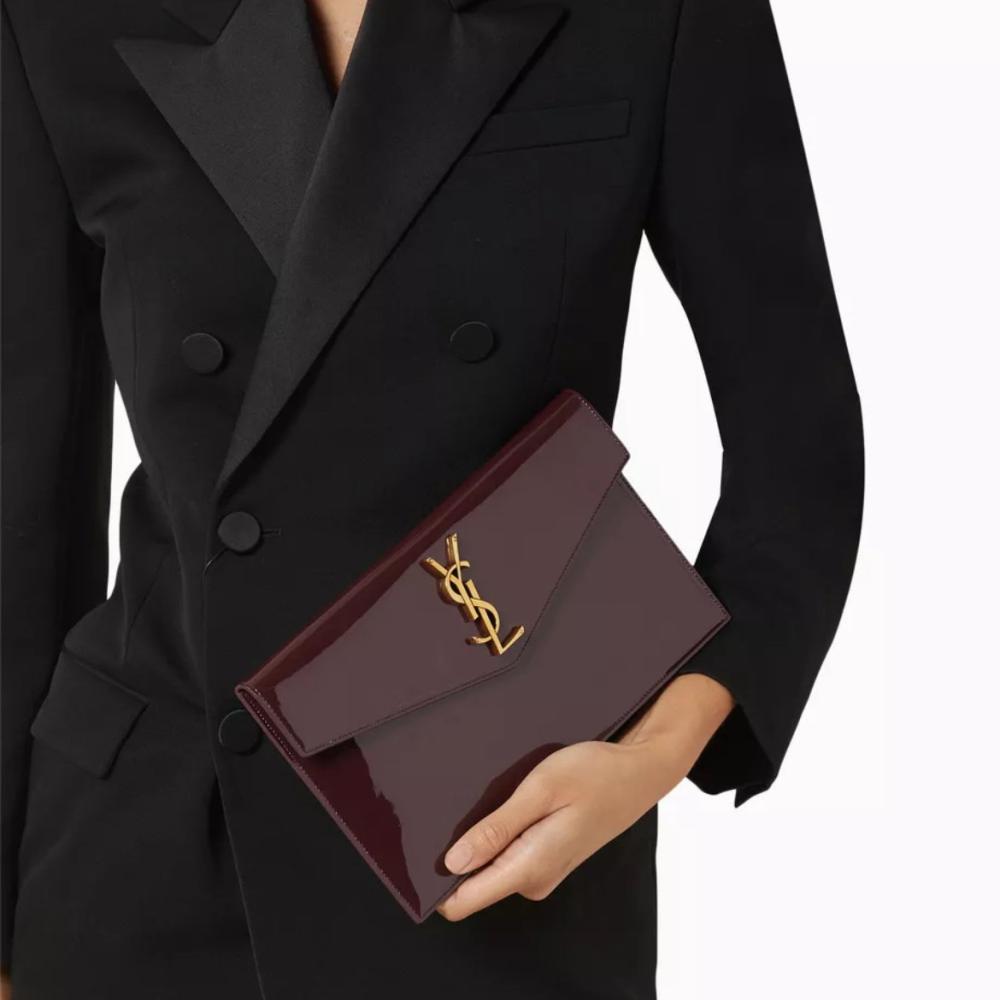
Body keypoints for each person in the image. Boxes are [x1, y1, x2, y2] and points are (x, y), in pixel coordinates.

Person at [0, 0, 864, 996]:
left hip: (499, 829)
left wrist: (650, 757)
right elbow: (27, 494)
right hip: (146, 846)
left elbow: (798, 446)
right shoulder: (53, 16)